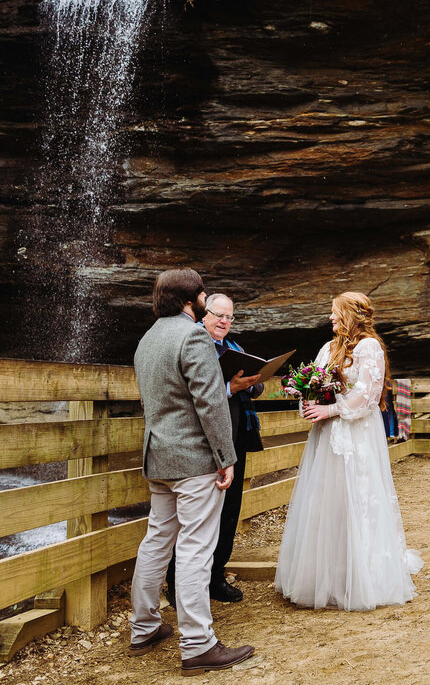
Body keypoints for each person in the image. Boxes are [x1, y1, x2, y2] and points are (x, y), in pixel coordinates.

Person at [128, 268, 254, 674]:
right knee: (196, 549)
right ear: (191, 300)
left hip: (158, 458)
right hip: (194, 461)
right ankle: (199, 644)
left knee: (156, 542)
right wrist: (226, 456)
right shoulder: (193, 335)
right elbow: (211, 402)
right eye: (201, 295)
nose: (204, 300)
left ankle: (143, 627)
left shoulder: (147, 339)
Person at [275, 292, 423, 610]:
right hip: (326, 436)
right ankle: (328, 575)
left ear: (353, 315)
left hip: (356, 432)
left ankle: (364, 574)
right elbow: (313, 381)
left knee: (359, 494)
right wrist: (308, 401)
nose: (330, 317)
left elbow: (368, 393)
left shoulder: (370, 347)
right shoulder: (327, 349)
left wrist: (331, 411)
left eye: (335, 311)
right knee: (328, 500)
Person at [202, 293, 264, 603]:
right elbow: (198, 393)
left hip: (237, 434)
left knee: (230, 508)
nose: (224, 321)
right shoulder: (197, 345)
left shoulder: (234, 347)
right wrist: (230, 388)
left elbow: (260, 384)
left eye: (229, 317)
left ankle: (216, 575)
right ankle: (190, 581)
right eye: (218, 315)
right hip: (209, 439)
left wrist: (250, 383)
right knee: (206, 510)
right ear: (204, 314)